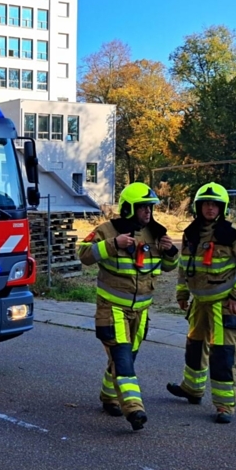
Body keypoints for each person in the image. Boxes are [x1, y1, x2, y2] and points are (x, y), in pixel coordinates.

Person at [78, 183, 179, 431]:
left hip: (141, 312)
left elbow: (167, 267)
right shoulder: (107, 230)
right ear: (128, 208)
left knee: (126, 357)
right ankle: (134, 408)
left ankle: (109, 396)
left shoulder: (155, 233)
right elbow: (83, 254)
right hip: (111, 309)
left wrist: (171, 252)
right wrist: (113, 244)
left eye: (150, 207)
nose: (148, 212)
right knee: (122, 357)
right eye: (143, 207)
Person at [167, 182, 236, 424]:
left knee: (223, 355)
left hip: (224, 304)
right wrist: (181, 294)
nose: (210, 208)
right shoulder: (191, 233)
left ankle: (224, 406)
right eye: (206, 204)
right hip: (199, 304)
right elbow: (183, 267)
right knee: (194, 348)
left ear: (223, 207)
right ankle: (191, 389)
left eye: (215, 204)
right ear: (198, 207)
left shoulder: (233, 234)